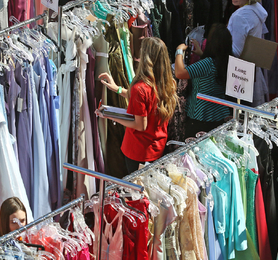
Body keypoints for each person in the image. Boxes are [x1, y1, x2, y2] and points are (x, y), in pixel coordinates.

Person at [97, 37, 178, 173]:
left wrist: (111, 116)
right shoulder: (167, 82)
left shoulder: (140, 88)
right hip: (157, 147)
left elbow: (140, 125)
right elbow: (145, 100)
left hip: (138, 151)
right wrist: (117, 88)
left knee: (138, 190)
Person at [174, 23, 233, 138]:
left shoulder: (207, 64)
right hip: (220, 113)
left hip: (200, 115)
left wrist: (179, 51)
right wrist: (201, 53)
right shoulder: (228, 61)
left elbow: (180, 73)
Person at [227, 0, 268, 106]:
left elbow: (236, 51)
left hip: (239, 73)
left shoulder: (240, 16)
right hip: (252, 66)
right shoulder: (256, 10)